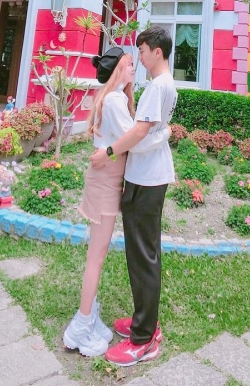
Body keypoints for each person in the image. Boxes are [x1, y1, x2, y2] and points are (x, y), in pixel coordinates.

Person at [63, 46, 169, 358]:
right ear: (117, 71)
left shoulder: (118, 99)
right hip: (105, 184)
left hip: (108, 181)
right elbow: (134, 141)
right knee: (96, 257)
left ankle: (88, 316)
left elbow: (124, 139)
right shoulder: (113, 100)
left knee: (97, 255)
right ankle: (82, 325)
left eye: (134, 62)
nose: (134, 67)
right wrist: (165, 133)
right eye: (128, 64)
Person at [90, 26, 177, 367]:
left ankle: (143, 339)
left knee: (143, 257)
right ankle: (146, 322)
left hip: (147, 178)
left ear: (157, 51)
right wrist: (165, 133)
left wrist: (109, 151)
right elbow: (150, 132)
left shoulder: (157, 86)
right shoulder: (165, 84)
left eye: (141, 51)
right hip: (148, 176)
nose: (138, 58)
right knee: (145, 254)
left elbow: (138, 134)